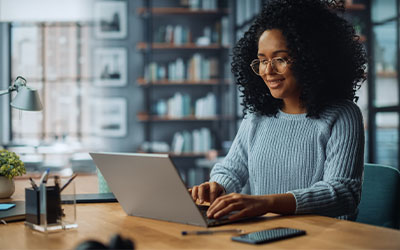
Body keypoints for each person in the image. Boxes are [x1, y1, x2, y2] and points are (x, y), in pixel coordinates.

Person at [190, 0, 367, 222]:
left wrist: (266, 203)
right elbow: (231, 170)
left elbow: (342, 193)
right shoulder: (256, 118)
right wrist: (217, 187)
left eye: (280, 59)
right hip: (266, 234)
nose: (268, 71)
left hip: (323, 239)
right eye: (262, 61)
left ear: (311, 58)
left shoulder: (343, 115)